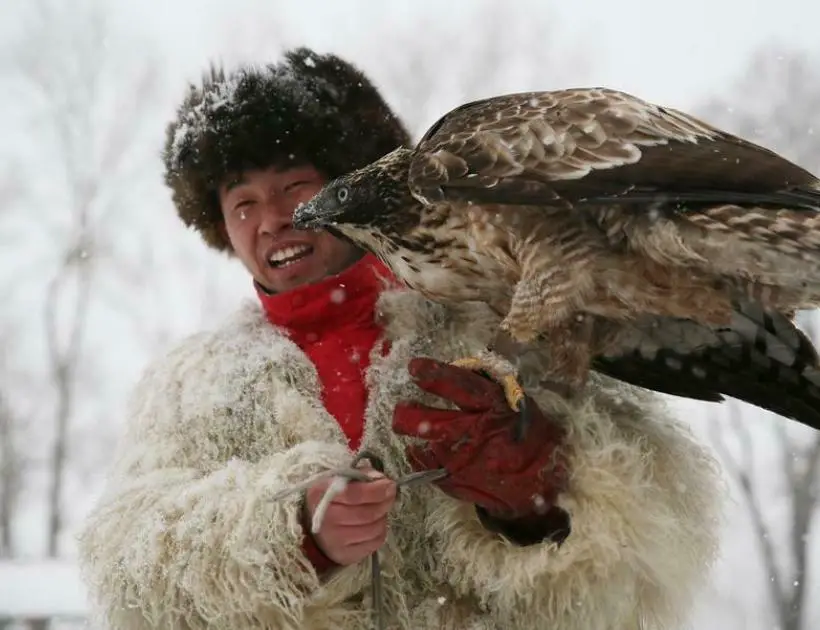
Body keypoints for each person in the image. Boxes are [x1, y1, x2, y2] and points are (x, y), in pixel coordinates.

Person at [76, 47, 723, 630]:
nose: (273, 219)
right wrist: (291, 531)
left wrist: (538, 490)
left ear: (353, 188)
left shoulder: (504, 319)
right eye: (242, 203)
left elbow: (658, 535)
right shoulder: (190, 385)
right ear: (218, 225)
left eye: (295, 186)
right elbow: (129, 566)